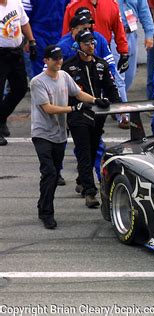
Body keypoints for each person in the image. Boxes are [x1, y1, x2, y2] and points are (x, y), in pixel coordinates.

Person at [30, 45, 98, 229]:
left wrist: (95, 100)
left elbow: (77, 92)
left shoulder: (64, 76)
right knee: (50, 172)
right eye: (54, 58)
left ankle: (42, 204)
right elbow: (48, 108)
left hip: (59, 135)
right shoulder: (37, 82)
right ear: (46, 61)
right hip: (42, 134)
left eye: (60, 57)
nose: (59, 61)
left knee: (49, 175)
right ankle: (47, 213)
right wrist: (73, 108)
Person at [62, 30, 121, 208]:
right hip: (78, 114)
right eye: (86, 43)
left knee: (93, 148)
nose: (91, 46)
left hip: (98, 115)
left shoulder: (101, 65)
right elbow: (63, 94)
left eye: (93, 42)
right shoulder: (68, 67)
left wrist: (119, 109)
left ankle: (81, 180)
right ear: (78, 45)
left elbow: (111, 88)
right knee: (84, 150)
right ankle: (90, 191)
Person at [62, 1, 130, 128]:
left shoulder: (99, 38)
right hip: (76, 92)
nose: (88, 31)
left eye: (89, 27)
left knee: (115, 84)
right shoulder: (64, 45)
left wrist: (123, 52)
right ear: (74, 29)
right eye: (84, 28)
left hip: (96, 85)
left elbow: (109, 66)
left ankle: (122, 115)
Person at [0, 0, 36, 146]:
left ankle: (1, 117)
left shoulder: (16, 2)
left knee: (20, 88)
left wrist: (32, 41)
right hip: (0, 55)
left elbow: (24, 22)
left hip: (15, 53)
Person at [21, 0, 69, 77]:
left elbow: (69, 10)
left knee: (58, 68)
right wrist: (28, 39)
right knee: (38, 72)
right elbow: (23, 18)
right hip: (37, 36)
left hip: (59, 35)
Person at [116, 0, 154, 92]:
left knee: (129, 74)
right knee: (118, 76)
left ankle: (119, 98)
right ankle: (119, 101)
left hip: (131, 34)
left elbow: (144, 11)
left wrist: (149, 33)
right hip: (115, 36)